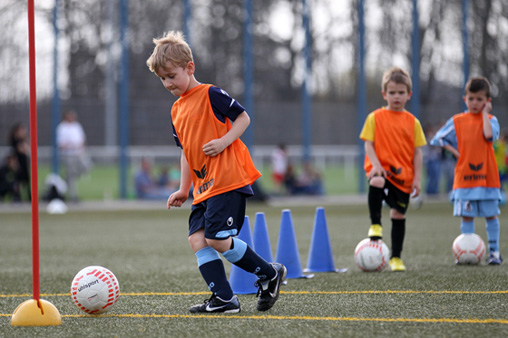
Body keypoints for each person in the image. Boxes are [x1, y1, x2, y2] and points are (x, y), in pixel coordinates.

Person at [146, 31, 286, 314]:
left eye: (172, 76)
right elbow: (186, 151)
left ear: (190, 68)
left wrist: (224, 140)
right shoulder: (176, 111)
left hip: (227, 178)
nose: (167, 83)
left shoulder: (211, 93)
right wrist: (184, 189)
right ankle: (224, 298)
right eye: (162, 79)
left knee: (216, 239)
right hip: (203, 187)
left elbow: (243, 118)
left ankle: (269, 274)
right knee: (197, 239)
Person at [359, 67, 427, 272]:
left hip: (403, 176)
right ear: (384, 94)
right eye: (392, 92)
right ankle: (375, 225)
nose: (396, 96)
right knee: (377, 180)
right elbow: (368, 144)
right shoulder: (375, 117)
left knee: (398, 215)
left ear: (409, 94)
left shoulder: (413, 122)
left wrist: (416, 179)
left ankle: (396, 258)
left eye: (400, 93)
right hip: (381, 170)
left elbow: (417, 153)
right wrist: (376, 165)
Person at [431, 77, 503, 265]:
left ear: (487, 102)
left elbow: (488, 135)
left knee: (491, 214)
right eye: (471, 98)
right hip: (465, 179)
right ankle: (466, 251)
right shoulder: (458, 121)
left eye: (480, 99)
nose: (475, 103)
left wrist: (485, 114)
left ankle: (494, 252)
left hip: (487, 178)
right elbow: (437, 139)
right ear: (465, 99)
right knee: (467, 215)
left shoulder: (491, 120)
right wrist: (456, 152)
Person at [56, 109, 92, 202]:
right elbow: (61, 144)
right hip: (68, 155)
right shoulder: (62, 127)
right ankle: (73, 196)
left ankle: (65, 181)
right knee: (71, 175)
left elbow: (82, 140)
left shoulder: (77, 126)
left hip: (78, 153)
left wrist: (82, 149)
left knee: (86, 167)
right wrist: (70, 144)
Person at [8, 123, 30, 201]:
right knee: (17, 181)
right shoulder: (15, 140)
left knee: (27, 181)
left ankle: (29, 197)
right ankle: (17, 197)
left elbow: (26, 148)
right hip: (18, 162)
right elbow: (22, 149)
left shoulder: (22, 140)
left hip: (24, 162)